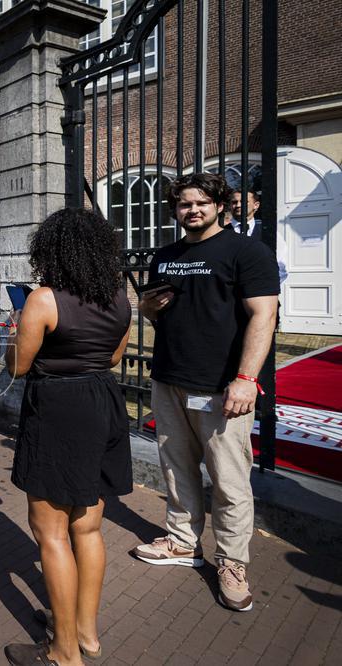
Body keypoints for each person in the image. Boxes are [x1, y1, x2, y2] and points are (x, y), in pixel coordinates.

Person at [133, 173, 279, 613]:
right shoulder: (166, 255)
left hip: (221, 387)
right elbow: (157, 311)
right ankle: (182, 541)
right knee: (177, 469)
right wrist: (145, 308)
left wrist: (247, 378)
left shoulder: (247, 252)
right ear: (174, 209)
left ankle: (233, 562)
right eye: (183, 204)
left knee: (229, 480)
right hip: (169, 378)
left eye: (200, 203)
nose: (192, 210)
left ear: (220, 206)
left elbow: (263, 315)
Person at [1, 209, 133, 666]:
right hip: (104, 403)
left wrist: (13, 336)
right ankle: (85, 633)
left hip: (59, 408)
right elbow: (114, 357)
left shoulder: (42, 299)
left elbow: (17, 365)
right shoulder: (119, 296)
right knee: (89, 525)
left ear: (51, 251)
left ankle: (63, 653)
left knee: (50, 531)